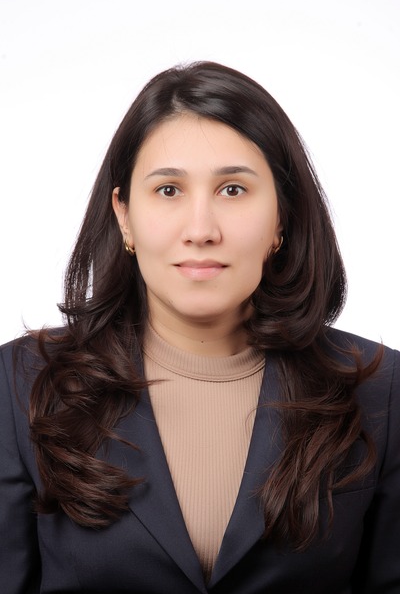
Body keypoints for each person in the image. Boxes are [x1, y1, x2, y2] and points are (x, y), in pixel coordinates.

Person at [0, 61, 399, 594]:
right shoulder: (19, 384)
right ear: (124, 215)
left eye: (233, 190)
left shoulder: (382, 391)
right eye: (169, 190)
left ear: (281, 218)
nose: (201, 230)